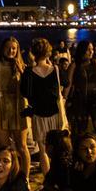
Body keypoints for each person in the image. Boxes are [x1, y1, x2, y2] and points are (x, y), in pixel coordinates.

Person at [0, 37, 32, 176]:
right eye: (8, 48)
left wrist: (21, 71)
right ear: (3, 49)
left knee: (22, 146)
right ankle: (9, 176)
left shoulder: (23, 67)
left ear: (17, 50)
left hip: (18, 109)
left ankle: (25, 178)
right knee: (4, 148)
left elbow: (30, 89)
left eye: (14, 48)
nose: (11, 51)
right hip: (0, 110)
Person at [22, 38, 68, 175]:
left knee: (43, 150)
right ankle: (58, 174)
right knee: (57, 147)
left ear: (33, 53)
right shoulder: (55, 69)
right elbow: (64, 84)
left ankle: (48, 177)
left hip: (38, 114)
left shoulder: (29, 72)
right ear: (48, 53)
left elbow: (25, 92)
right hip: (54, 113)